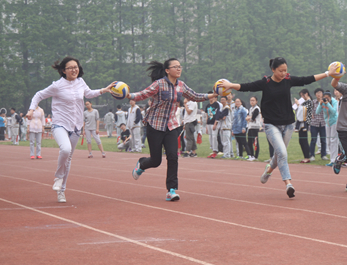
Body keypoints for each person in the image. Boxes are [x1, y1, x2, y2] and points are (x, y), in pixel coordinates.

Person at [219, 57, 333, 198]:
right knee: (283, 154)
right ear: (273, 70)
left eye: (285, 70)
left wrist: (328, 73)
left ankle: (269, 170)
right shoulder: (265, 82)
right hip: (271, 124)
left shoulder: (288, 80)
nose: (284, 73)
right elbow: (247, 86)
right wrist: (231, 85)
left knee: (279, 153)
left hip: (289, 124)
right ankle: (288, 184)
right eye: (280, 71)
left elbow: (307, 79)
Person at [26, 56, 116, 203]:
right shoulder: (57, 85)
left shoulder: (80, 82)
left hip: (76, 127)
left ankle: (62, 191)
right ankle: (58, 177)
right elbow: (39, 95)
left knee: (68, 160)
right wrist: (31, 110)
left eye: (76, 67)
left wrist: (104, 90)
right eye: (71, 68)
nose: (74, 70)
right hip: (60, 125)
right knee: (65, 149)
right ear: (63, 70)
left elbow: (88, 93)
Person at [130, 58, 216, 201]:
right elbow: (143, 94)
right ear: (167, 70)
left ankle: (171, 190)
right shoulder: (159, 84)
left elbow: (195, 96)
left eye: (180, 66)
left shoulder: (181, 86)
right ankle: (142, 164)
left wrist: (211, 95)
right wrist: (129, 95)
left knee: (173, 157)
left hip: (171, 126)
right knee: (156, 161)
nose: (179, 69)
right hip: (155, 125)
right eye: (175, 67)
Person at [316, 91, 338, 167]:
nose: (326, 99)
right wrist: (320, 104)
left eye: (328, 98)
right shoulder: (322, 102)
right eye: (325, 98)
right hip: (327, 123)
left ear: (330, 97)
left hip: (334, 122)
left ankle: (334, 160)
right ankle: (332, 160)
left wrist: (327, 103)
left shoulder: (334, 101)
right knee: (328, 141)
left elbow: (334, 112)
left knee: (333, 141)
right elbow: (317, 112)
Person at [294, 89, 313, 163]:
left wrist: (298, 104)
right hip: (301, 122)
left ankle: (307, 157)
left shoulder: (309, 101)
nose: (302, 97)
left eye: (302, 95)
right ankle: (306, 156)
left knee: (304, 140)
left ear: (306, 94)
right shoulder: (305, 102)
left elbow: (303, 110)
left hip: (305, 122)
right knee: (301, 140)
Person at [309, 88, 327, 161]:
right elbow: (309, 112)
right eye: (317, 93)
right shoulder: (313, 102)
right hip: (314, 124)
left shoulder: (325, 102)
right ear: (315, 94)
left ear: (322, 94)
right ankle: (312, 155)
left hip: (323, 124)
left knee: (323, 140)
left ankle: (323, 155)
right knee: (313, 140)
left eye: (320, 93)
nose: (319, 94)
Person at [204, 92, 221, 158]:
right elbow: (207, 116)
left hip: (214, 123)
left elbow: (217, 114)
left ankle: (215, 151)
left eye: (212, 97)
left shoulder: (216, 104)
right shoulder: (208, 106)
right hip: (209, 123)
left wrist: (215, 124)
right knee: (210, 137)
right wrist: (206, 126)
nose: (211, 98)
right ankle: (212, 150)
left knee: (214, 137)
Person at [246, 96, 261, 161]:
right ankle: (251, 155)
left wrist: (249, 118)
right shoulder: (250, 108)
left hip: (255, 127)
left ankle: (256, 156)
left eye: (253, 100)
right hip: (250, 127)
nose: (252, 102)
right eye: (251, 100)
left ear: (256, 101)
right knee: (249, 142)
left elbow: (252, 118)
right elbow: (248, 117)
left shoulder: (257, 108)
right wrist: (249, 118)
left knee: (255, 142)